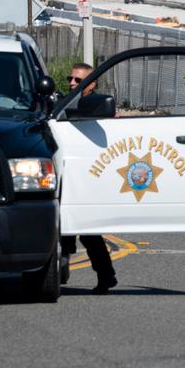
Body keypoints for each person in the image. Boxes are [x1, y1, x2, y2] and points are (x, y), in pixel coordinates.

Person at [60, 63, 118, 294]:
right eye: (71, 79)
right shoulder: (62, 102)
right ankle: (60, 267)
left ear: (91, 84)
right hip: (64, 171)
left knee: (88, 232)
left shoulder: (94, 104)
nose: (72, 83)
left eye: (78, 80)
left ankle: (106, 275)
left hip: (87, 175)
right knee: (60, 225)